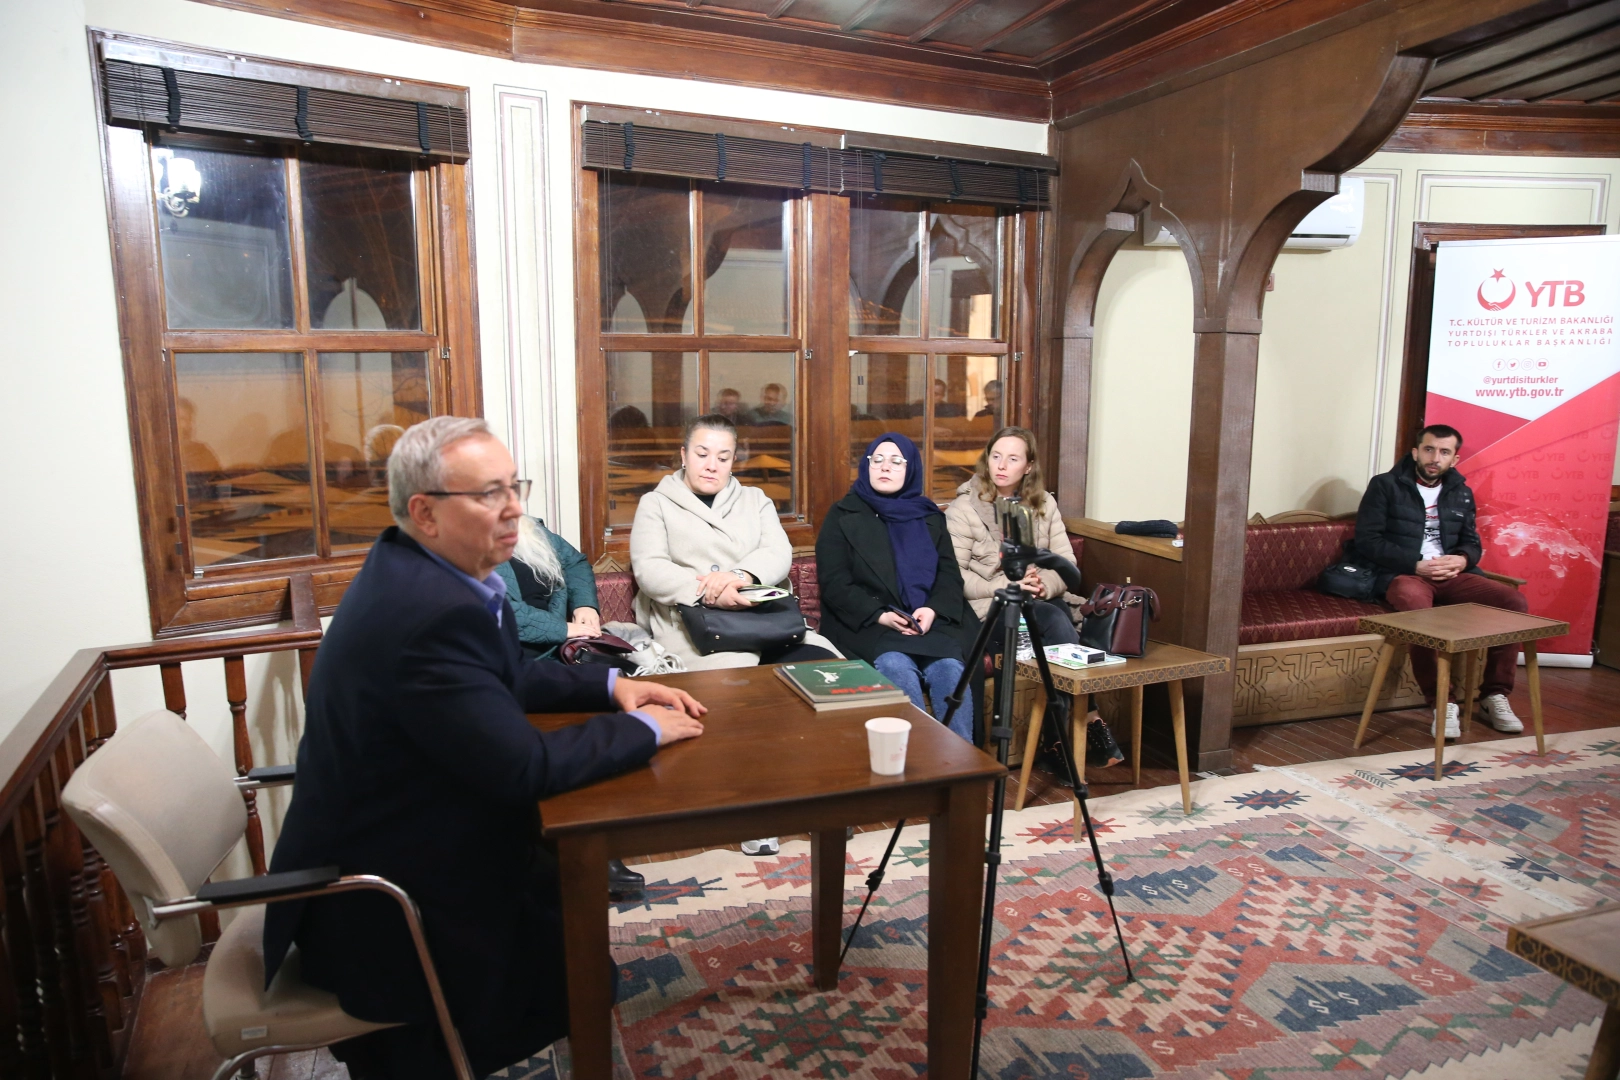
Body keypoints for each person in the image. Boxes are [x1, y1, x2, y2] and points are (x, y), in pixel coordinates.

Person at [263, 417, 706, 1080]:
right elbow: (525, 767)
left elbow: (503, 676)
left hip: (408, 840)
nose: (514, 509)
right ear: (425, 512)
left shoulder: (422, 565)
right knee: (578, 968)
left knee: (568, 911)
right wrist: (644, 731)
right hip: (388, 904)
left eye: (514, 487)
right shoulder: (429, 611)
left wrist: (612, 686)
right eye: (488, 494)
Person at [630, 412, 837, 856]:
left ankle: (825, 798)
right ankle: (753, 809)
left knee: (826, 669)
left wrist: (740, 578)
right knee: (740, 691)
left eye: (723, 457)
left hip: (761, 614)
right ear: (683, 455)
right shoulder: (656, 503)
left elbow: (777, 551)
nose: (712, 465)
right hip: (695, 621)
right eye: (702, 454)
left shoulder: (755, 499)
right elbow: (650, 569)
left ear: (733, 461)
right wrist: (709, 591)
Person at [945, 427, 1121, 768]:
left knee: (1054, 612)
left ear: (1028, 466)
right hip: (989, 609)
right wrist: (1003, 586)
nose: (1001, 465)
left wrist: (1043, 585)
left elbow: (1065, 564)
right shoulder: (964, 508)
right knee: (1056, 618)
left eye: (1012, 459)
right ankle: (1087, 718)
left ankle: (1056, 741)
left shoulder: (1044, 503)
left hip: (1040, 602)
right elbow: (956, 576)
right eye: (996, 456)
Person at [1351, 423, 1530, 739]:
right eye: (1429, 449)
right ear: (1415, 452)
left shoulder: (1461, 492)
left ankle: (1494, 695)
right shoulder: (1385, 485)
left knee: (1513, 602)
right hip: (1406, 574)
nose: (1435, 458)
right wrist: (1415, 565)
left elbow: (1471, 543)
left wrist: (1461, 560)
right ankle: (1442, 703)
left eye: (1444, 452)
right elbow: (1368, 540)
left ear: (1454, 459)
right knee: (1418, 609)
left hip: (1451, 574)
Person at [816, 432, 980, 742]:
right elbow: (835, 582)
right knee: (895, 665)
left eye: (896, 461)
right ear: (866, 466)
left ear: (911, 469)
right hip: (870, 624)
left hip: (929, 624)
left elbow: (948, 575)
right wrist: (880, 615)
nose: (885, 467)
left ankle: (960, 761)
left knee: (949, 668)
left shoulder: (930, 516)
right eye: (877, 460)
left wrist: (932, 610)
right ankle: (911, 761)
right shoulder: (842, 514)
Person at [496, 516, 603, 662]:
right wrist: (561, 629)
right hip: (506, 657)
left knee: (614, 672)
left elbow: (574, 563)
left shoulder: (527, 526)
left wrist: (584, 604)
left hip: (555, 650)